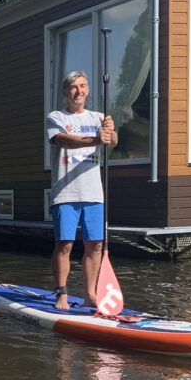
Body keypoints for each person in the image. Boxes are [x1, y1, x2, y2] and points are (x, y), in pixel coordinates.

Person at [46, 71, 117, 310]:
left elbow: (113, 140)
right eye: (74, 87)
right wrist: (97, 139)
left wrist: (111, 130)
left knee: (95, 245)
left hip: (94, 193)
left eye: (83, 86)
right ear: (66, 92)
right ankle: (62, 293)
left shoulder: (99, 117)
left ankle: (90, 294)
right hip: (65, 193)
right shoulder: (55, 117)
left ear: (87, 90)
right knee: (65, 244)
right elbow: (64, 141)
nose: (79, 91)